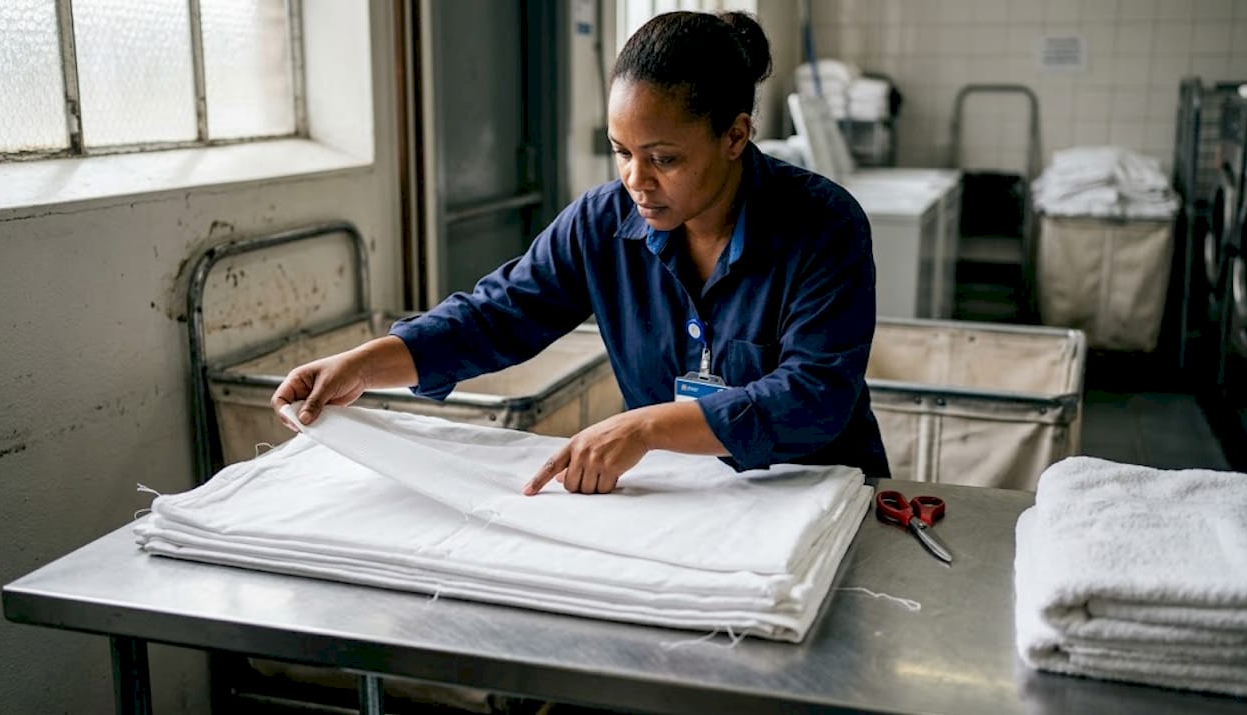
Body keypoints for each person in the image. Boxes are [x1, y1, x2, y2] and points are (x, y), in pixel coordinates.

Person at [271, 10, 889, 495]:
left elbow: (814, 394)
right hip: (687, 497)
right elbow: (499, 314)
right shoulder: (603, 222)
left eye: (664, 158)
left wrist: (646, 426)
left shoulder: (822, 225)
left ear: (735, 135)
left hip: (816, 493)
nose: (637, 180)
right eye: (622, 152)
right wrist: (367, 363)